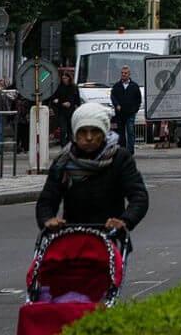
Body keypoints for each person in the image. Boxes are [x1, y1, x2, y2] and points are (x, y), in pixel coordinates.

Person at [36, 102, 148, 238]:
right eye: (83, 132)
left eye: (95, 131)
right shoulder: (63, 161)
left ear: (104, 133)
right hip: (73, 237)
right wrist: (48, 220)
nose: (89, 138)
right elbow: (47, 199)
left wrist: (124, 221)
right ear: (75, 134)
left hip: (110, 236)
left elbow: (139, 196)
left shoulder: (119, 158)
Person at [108, 65, 142, 151]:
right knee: (121, 132)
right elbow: (113, 96)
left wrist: (135, 109)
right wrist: (116, 105)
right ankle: (122, 150)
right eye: (122, 73)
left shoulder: (134, 86)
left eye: (125, 73)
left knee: (130, 131)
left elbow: (138, 99)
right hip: (120, 113)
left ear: (129, 74)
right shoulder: (117, 86)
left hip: (130, 113)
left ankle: (130, 151)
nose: (123, 74)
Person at [45, 67, 83, 144]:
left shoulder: (74, 87)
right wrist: (61, 103)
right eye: (63, 78)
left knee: (70, 130)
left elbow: (77, 99)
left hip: (71, 111)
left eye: (65, 78)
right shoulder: (59, 88)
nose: (64, 79)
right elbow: (54, 99)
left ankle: (70, 144)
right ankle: (63, 144)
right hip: (61, 111)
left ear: (69, 78)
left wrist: (76, 106)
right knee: (63, 129)